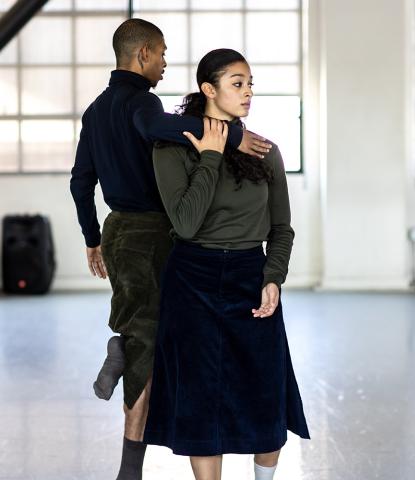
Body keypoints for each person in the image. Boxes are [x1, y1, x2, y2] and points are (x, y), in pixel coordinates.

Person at [70, 19, 272, 480]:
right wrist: (232, 135)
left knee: (157, 331)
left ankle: (124, 341)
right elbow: (159, 124)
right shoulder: (142, 101)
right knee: (149, 351)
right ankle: (129, 471)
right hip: (151, 236)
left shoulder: (96, 111)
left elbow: (80, 183)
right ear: (142, 54)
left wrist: (92, 236)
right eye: (161, 53)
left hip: (118, 231)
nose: (165, 63)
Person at [143, 48, 310, 480]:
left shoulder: (265, 151)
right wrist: (212, 156)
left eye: (251, 83)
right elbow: (185, 221)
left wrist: (273, 279)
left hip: (249, 278)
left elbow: (282, 228)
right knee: (199, 402)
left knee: (265, 395)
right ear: (208, 89)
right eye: (238, 83)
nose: (248, 92)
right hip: (191, 280)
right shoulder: (170, 147)